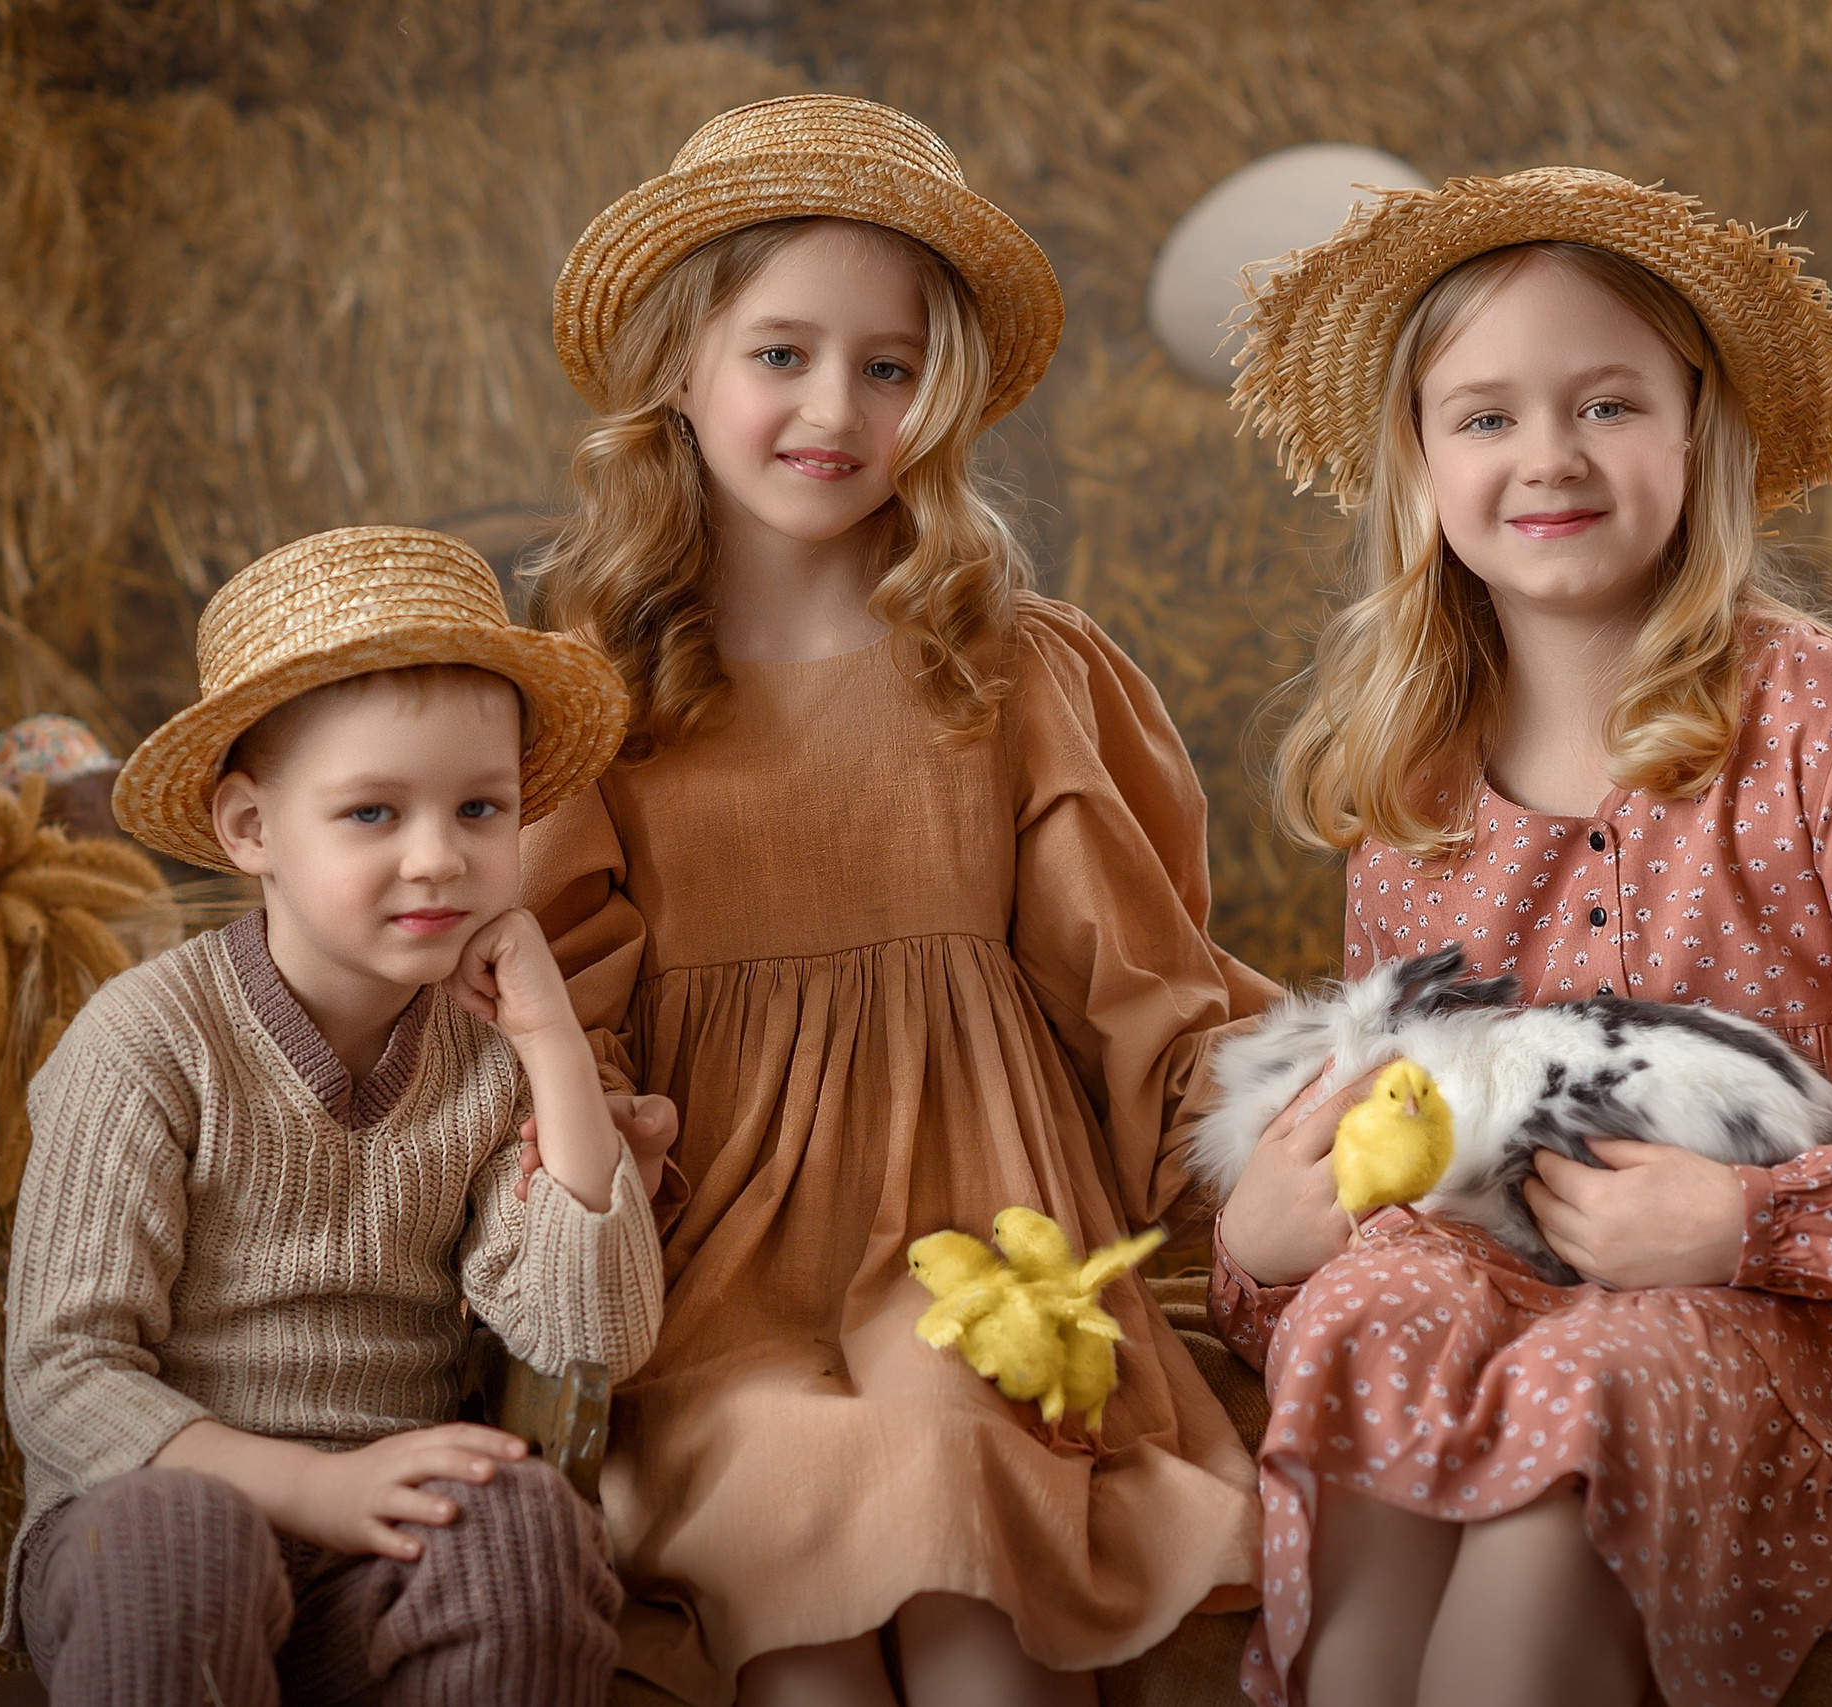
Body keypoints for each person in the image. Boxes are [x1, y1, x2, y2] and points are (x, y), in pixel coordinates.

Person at [1208, 169, 1832, 1707]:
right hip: (1494, 1275)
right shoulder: (1416, 774)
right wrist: (1263, 1245)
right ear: (1419, 459)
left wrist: (1746, 1225)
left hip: (1766, 1310)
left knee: (1603, 1376)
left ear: (1696, 428)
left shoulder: (1827, 721)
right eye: (1486, 417)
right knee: (1377, 1307)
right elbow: (1411, 1135)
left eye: (1606, 403)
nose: (1548, 457)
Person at [521, 95, 1273, 1707]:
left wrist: (1269, 1146)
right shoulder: (590, 702)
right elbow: (551, 1010)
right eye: (780, 353)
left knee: (956, 1484)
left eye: (890, 365)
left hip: (985, 1243)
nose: (835, 408)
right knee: (793, 1522)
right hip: (718, 1270)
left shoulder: (1009, 666)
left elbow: (1132, 972)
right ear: (678, 365)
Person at [1, 525, 669, 1704]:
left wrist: (554, 1047)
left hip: (379, 1554)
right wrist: (311, 1490)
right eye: (373, 814)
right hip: (153, 1531)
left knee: (522, 1528)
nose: (438, 860)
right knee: (179, 1544)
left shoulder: (490, 1051)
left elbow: (596, 1333)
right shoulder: (148, 1043)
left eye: (480, 810)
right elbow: (62, 1372)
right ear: (250, 828)